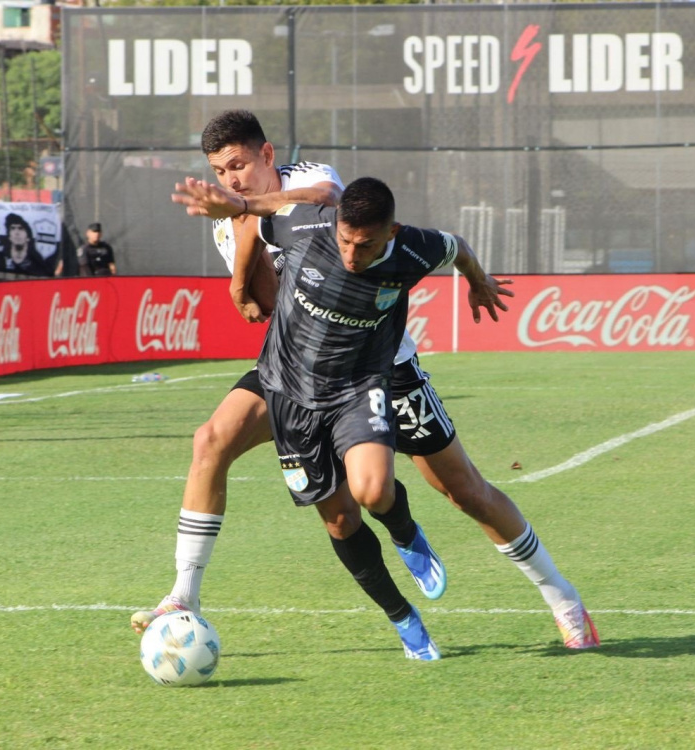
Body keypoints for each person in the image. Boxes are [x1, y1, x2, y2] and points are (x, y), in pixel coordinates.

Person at [134, 110, 598, 654]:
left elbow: (330, 195)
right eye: (219, 171)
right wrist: (242, 254)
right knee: (211, 441)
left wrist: (243, 214)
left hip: (383, 367)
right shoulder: (227, 220)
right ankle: (183, 595)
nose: (230, 180)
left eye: (238, 165)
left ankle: (566, 604)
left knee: (463, 490)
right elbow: (265, 303)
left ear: (267, 155)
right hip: (299, 369)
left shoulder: (309, 182)